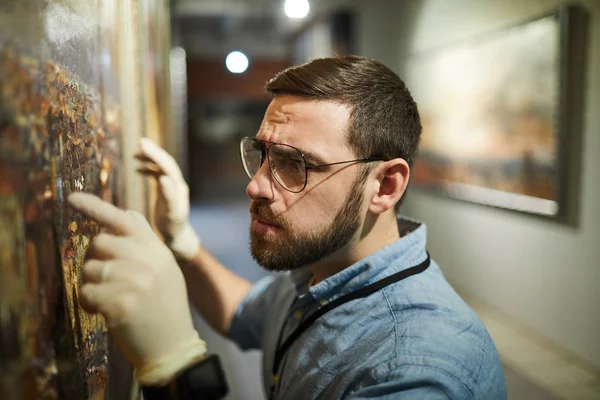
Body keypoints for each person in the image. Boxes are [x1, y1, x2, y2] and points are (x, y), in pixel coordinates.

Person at [68, 56, 507, 399]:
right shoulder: (324, 262)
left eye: (295, 164)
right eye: (263, 155)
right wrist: (181, 239)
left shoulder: (414, 369)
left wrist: (174, 367)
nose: (255, 186)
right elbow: (243, 314)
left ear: (385, 186)